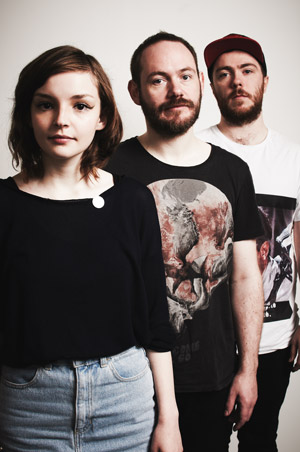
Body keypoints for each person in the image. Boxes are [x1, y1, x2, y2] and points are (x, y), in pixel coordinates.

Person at [0, 45, 183, 452]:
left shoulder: (133, 201)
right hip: (27, 404)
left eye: (80, 106)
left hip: (124, 398)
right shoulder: (5, 205)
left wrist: (169, 420)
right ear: (28, 115)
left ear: (102, 117)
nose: (62, 120)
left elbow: (156, 317)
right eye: (46, 104)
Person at [106, 31, 264, 452]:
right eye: (158, 80)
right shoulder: (106, 168)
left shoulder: (234, 171)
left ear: (200, 82)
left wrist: (247, 370)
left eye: (186, 76)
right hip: (126, 380)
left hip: (212, 380)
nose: (177, 90)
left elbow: (247, 278)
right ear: (135, 92)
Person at [198, 33, 300, 452]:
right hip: (209, 337)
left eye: (246, 71)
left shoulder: (292, 157)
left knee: (262, 441)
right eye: (224, 74)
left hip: (275, 335)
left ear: (265, 80)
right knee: (203, 442)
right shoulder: (196, 151)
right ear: (211, 85)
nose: (236, 81)